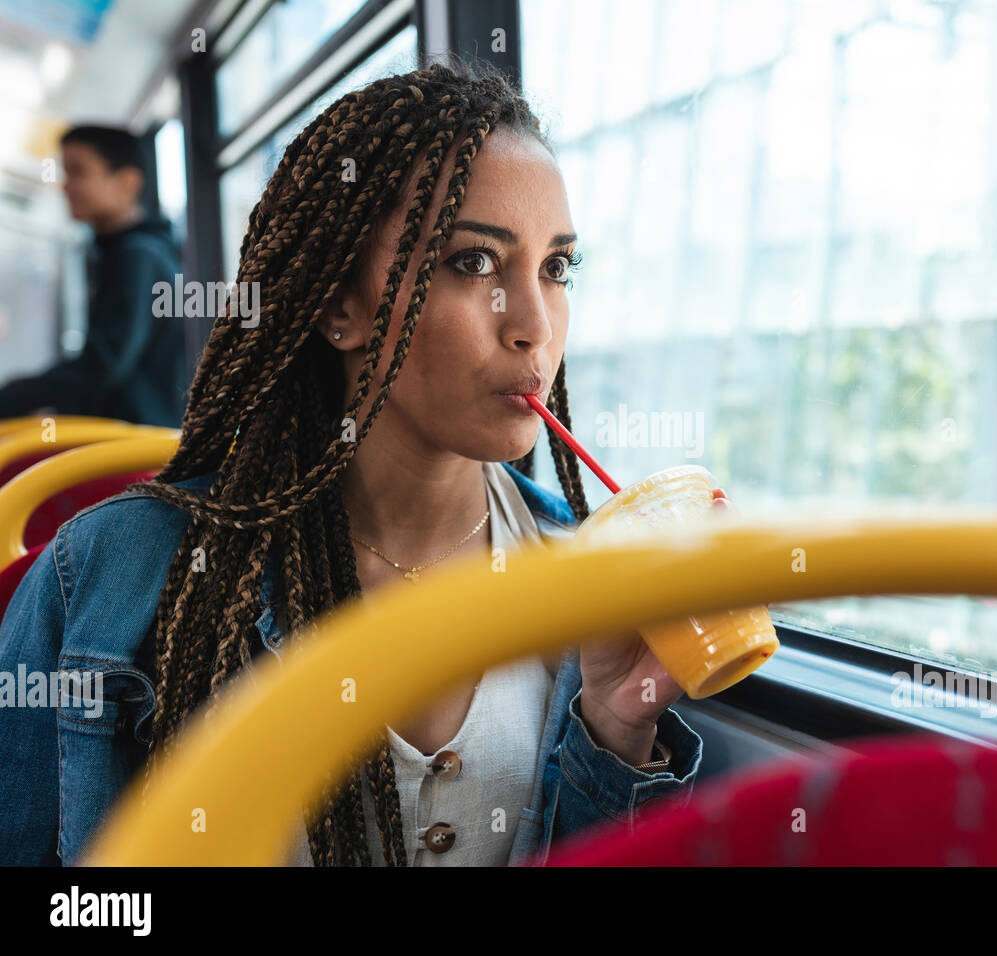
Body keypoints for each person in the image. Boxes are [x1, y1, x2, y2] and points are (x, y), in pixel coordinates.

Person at [0, 56, 732, 866]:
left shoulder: (588, 588)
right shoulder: (103, 576)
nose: (534, 325)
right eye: (474, 263)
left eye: (557, 269)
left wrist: (617, 725)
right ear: (340, 305)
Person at [0, 125, 189, 427]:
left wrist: (14, 396)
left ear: (127, 181)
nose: (65, 186)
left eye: (78, 172)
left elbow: (105, 365)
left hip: (135, 443)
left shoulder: (135, 255)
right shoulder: (143, 250)